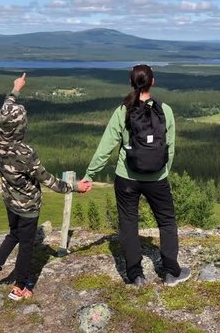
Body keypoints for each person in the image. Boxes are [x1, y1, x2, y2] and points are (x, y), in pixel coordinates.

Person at [0, 73, 90, 300]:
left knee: (13, 235)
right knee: (27, 245)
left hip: (9, 200)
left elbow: (6, 107)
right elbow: (49, 181)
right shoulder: (25, 153)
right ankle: (20, 286)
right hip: (28, 206)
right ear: (21, 126)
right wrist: (75, 187)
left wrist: (16, 88)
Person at [81, 64, 191, 287]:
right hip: (157, 178)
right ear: (153, 82)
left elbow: (106, 147)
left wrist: (89, 174)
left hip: (126, 177)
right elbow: (170, 147)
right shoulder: (165, 111)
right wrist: (163, 172)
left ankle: (136, 276)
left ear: (131, 83)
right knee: (167, 221)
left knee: (129, 223)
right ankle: (171, 272)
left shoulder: (123, 111)